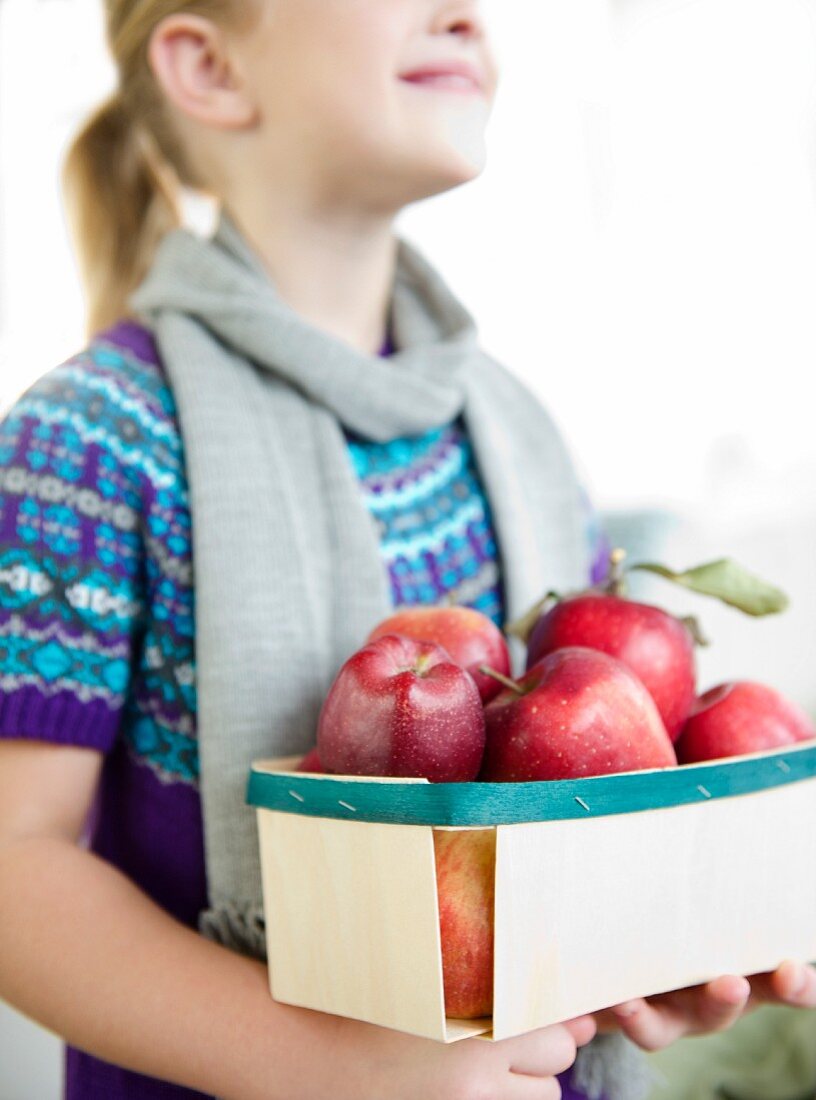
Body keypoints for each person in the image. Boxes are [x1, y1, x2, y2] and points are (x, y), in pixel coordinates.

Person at [0, 2, 814, 1099]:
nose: (468, 11)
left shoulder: (518, 432)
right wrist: (332, 1063)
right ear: (208, 64)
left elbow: (585, 802)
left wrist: (646, 937)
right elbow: (16, 864)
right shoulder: (91, 441)